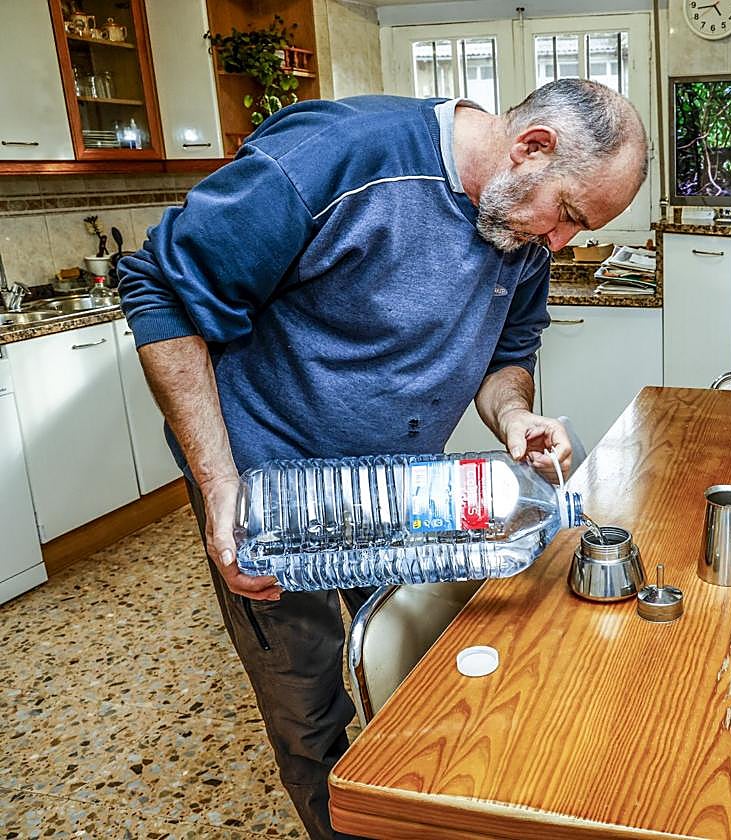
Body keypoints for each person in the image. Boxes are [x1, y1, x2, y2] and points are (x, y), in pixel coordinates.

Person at [117, 80, 648, 839]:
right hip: (270, 494)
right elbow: (161, 289)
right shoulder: (341, 155)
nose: (560, 243)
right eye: (566, 215)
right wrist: (220, 484)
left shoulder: (519, 228)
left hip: (397, 491)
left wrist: (515, 412)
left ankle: (408, 816)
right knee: (310, 708)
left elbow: (507, 352)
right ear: (531, 148)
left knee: (409, 668)